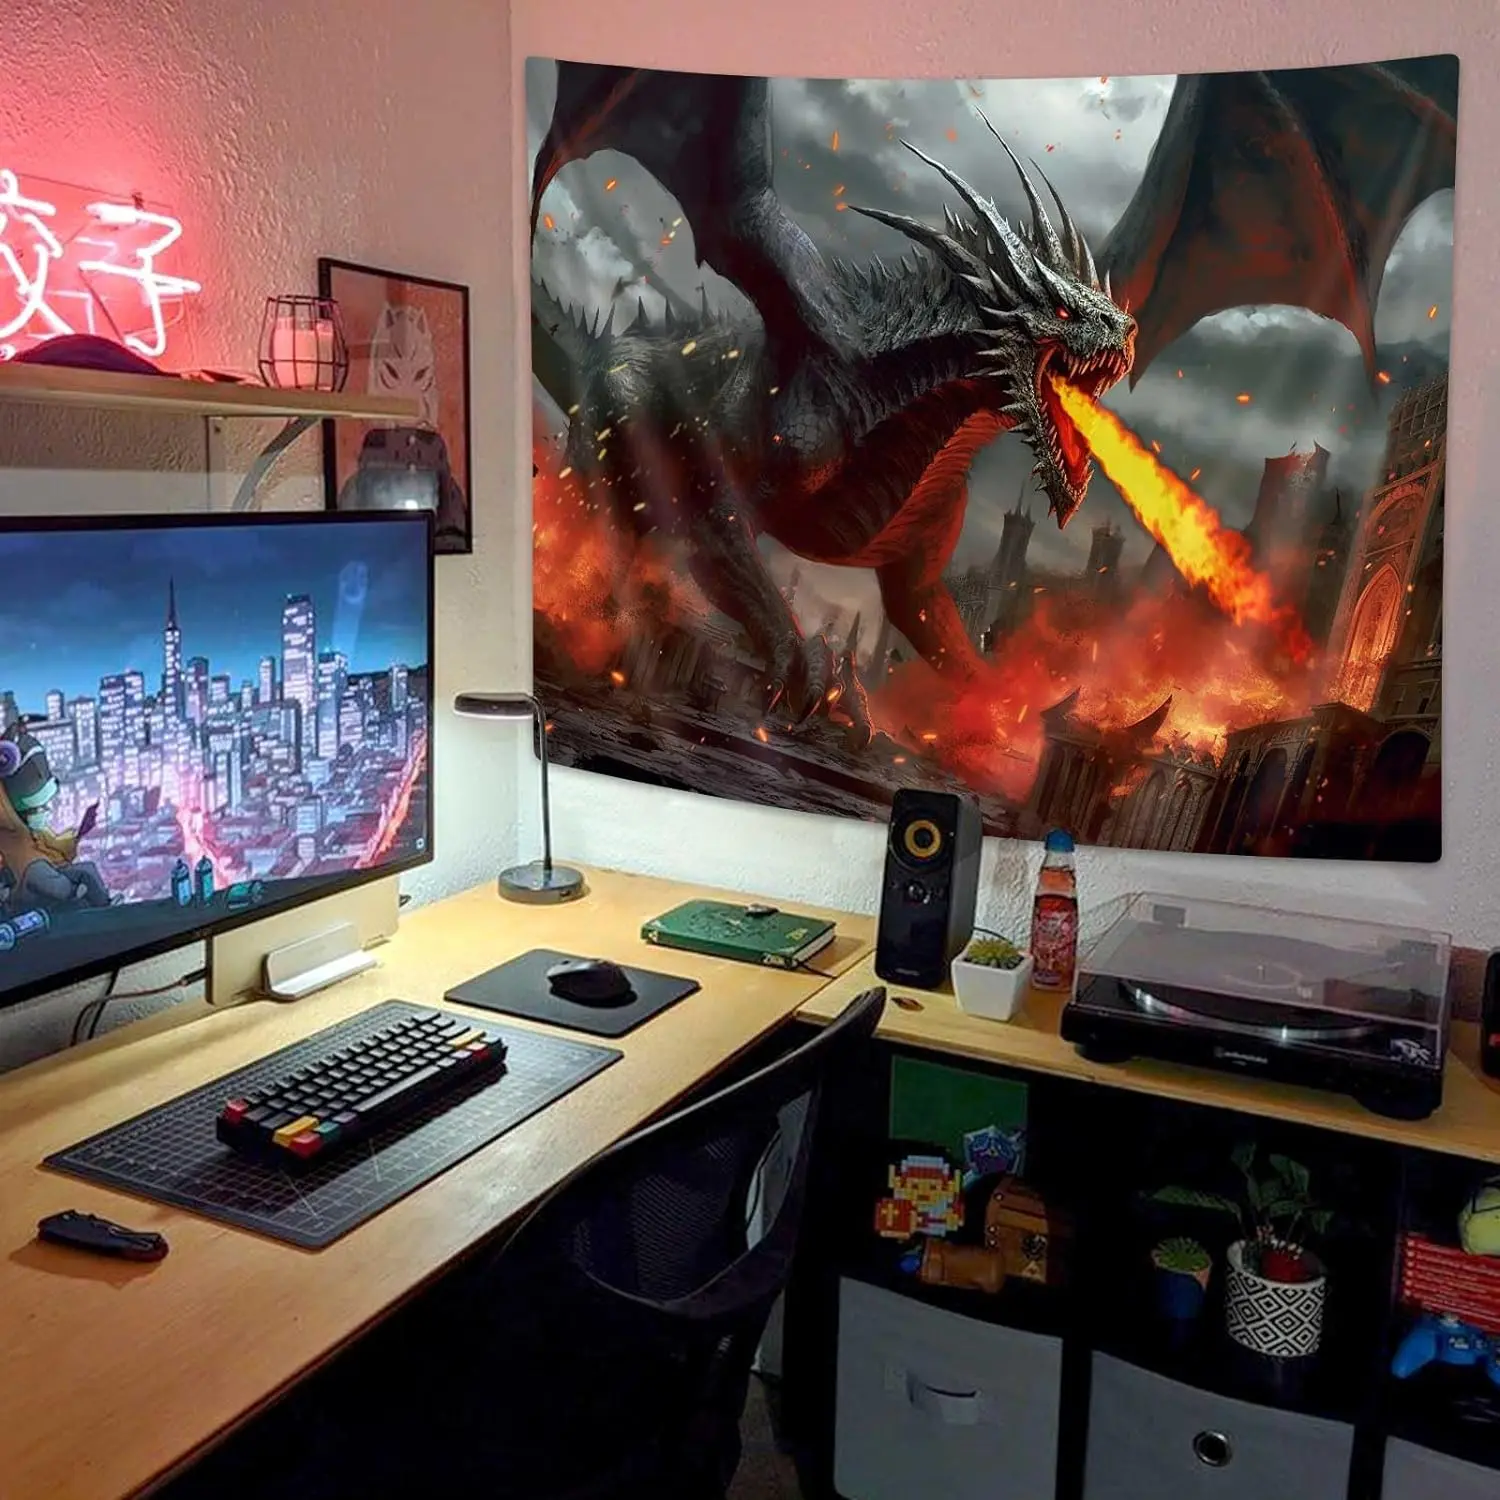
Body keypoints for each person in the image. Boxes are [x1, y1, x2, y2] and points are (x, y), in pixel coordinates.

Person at [0, 723, 110, 910]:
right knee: (41, 874)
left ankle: (107, 907)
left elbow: (54, 846)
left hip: (46, 870)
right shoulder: (5, 831)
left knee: (87, 870)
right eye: (36, 807)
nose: (43, 811)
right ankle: (74, 897)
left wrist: (80, 834)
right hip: (21, 885)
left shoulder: (33, 830)